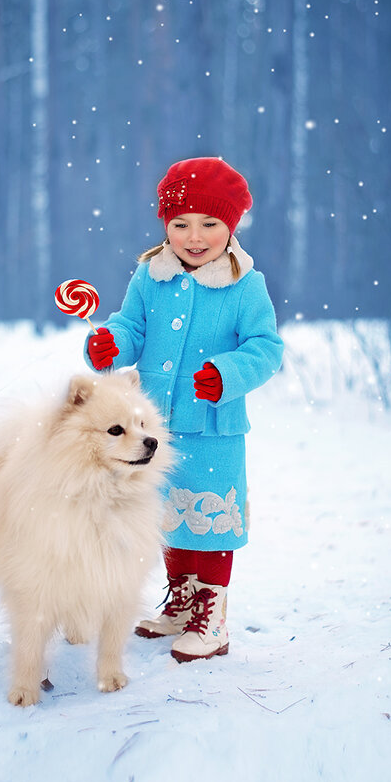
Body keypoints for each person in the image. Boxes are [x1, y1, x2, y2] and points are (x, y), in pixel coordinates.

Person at [84, 156, 283, 663]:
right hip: (153, 428)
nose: (194, 236)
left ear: (231, 225)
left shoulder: (245, 285)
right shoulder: (150, 277)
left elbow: (266, 347)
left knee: (210, 517)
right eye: (181, 224)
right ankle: (183, 599)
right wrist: (110, 342)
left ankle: (211, 615)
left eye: (210, 224)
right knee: (169, 518)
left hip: (214, 426)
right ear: (165, 225)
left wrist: (229, 373)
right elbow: (131, 327)